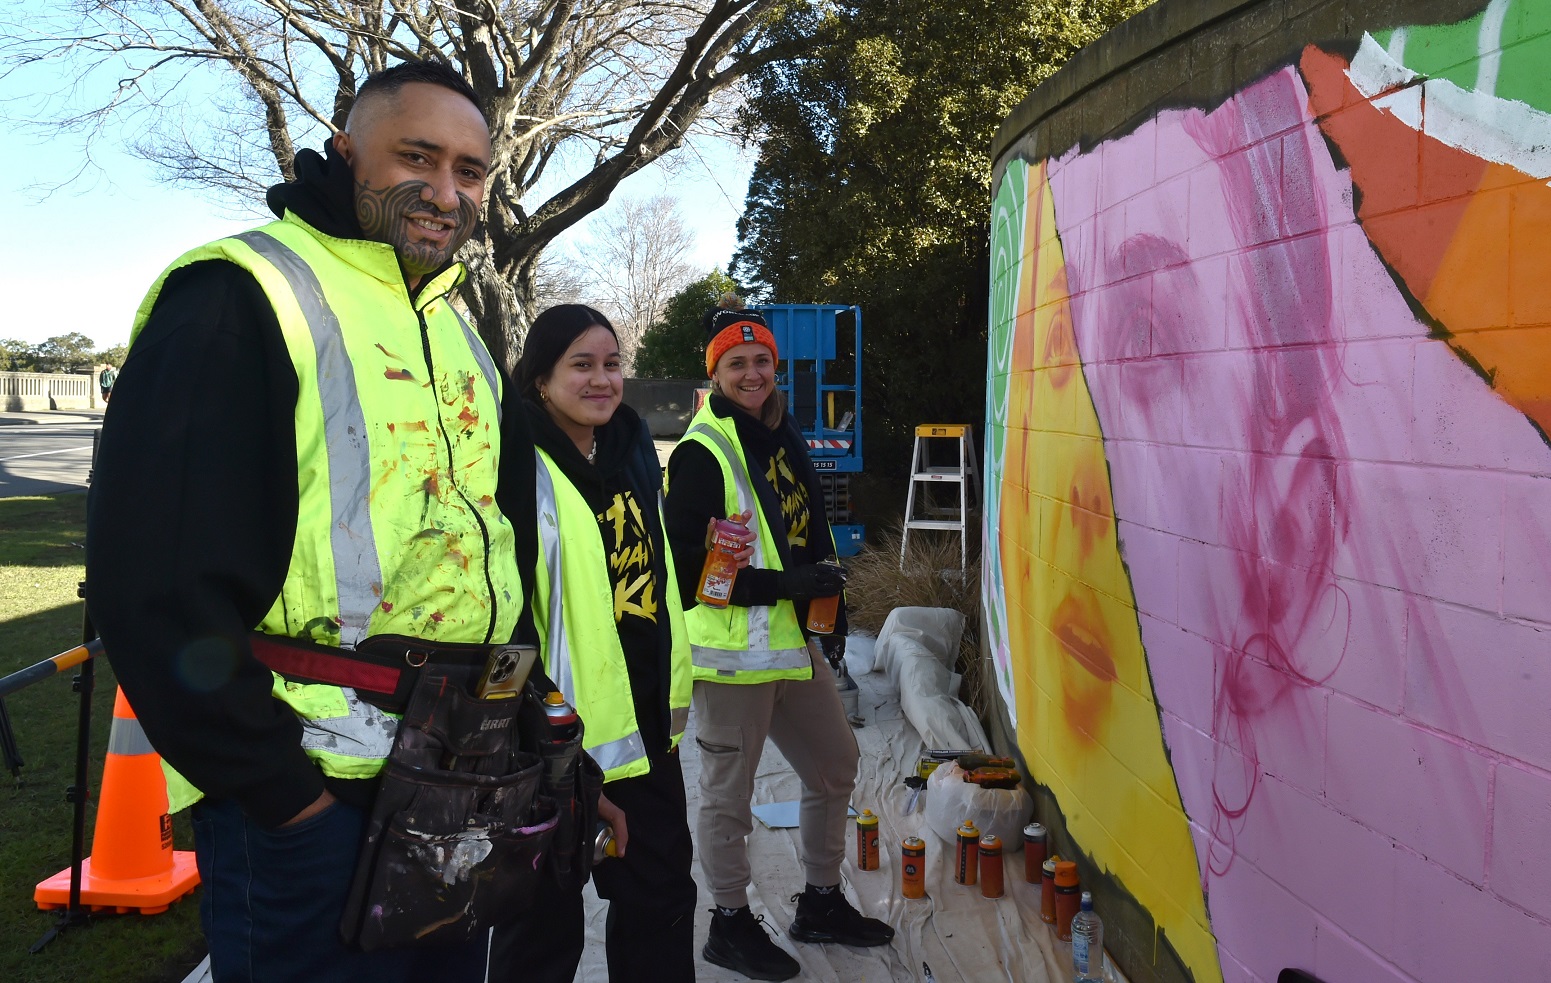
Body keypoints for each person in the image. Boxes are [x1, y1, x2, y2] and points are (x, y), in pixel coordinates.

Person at [86, 61, 528, 983]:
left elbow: (486, 555)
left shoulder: (458, 331)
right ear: (345, 153)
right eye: (416, 156)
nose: (445, 192)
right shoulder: (240, 295)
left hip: (453, 780)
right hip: (312, 799)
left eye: (470, 169)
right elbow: (153, 581)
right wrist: (282, 796)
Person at [664, 305, 895, 982]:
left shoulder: (782, 431)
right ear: (714, 374)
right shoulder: (702, 454)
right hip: (733, 657)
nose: (752, 372)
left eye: (761, 360)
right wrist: (787, 584)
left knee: (834, 765)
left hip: (791, 643)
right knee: (727, 798)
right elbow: (689, 577)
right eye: (735, 364)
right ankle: (729, 924)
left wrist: (830, 603)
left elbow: (804, 529)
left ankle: (820, 902)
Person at [490, 304, 702, 982]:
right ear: (540, 377)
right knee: (542, 925)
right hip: (551, 739)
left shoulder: (632, 442)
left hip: (642, 733)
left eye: (611, 364)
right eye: (581, 365)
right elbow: (505, 608)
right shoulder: (512, 460)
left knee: (661, 900)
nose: (602, 379)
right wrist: (534, 724)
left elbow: (654, 575)